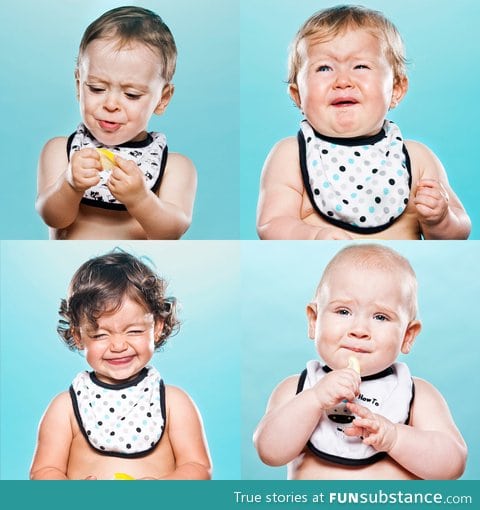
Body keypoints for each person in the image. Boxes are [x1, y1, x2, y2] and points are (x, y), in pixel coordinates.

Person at [256, 5, 470, 240]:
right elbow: (271, 224)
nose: (343, 81)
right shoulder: (291, 156)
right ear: (298, 95)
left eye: (360, 66)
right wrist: (312, 237)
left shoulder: (417, 159)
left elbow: (459, 231)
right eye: (324, 68)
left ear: (396, 90)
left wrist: (441, 219)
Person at [253, 244, 467, 479]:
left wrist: (394, 437)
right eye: (343, 311)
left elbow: (452, 465)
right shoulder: (297, 388)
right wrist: (314, 399)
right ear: (314, 321)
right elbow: (269, 452)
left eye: (380, 317)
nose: (359, 330)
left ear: (408, 336)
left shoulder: (417, 394)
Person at [30, 250, 211, 480]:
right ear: (77, 335)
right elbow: (43, 472)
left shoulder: (173, 403)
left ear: (157, 327)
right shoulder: (65, 408)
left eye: (134, 331)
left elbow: (198, 468)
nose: (118, 345)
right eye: (99, 335)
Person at [36, 7, 196, 240]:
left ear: (162, 99)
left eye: (131, 94)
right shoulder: (61, 151)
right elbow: (53, 217)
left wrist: (141, 199)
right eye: (97, 89)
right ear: (79, 85)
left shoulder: (174, 167)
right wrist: (70, 185)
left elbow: (171, 233)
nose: (111, 104)